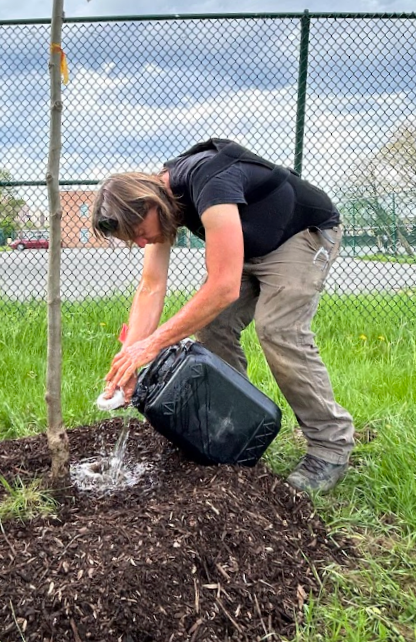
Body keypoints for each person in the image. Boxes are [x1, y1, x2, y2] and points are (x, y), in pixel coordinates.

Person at [94, 138, 354, 494]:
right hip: (250, 242)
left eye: (140, 234)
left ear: (150, 204)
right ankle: (232, 427)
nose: (142, 243)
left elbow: (224, 287)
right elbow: (151, 287)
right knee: (213, 327)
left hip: (299, 235)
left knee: (278, 328)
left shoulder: (209, 182)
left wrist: (154, 343)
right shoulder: (160, 205)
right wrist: (131, 358)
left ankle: (331, 447)